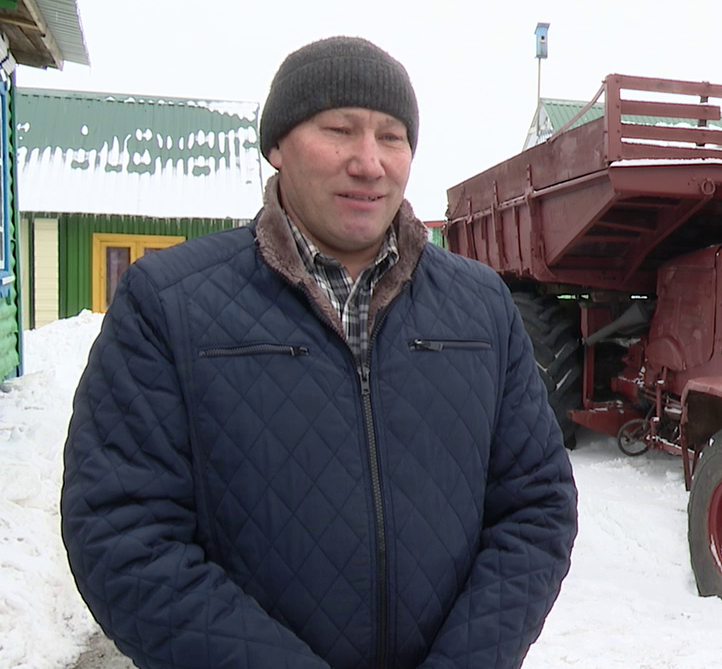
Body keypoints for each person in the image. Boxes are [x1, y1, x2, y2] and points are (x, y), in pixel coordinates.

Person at [61, 36, 578, 669]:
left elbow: (536, 506)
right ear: (277, 145)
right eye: (340, 129)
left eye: (392, 136)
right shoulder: (170, 304)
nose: (369, 162)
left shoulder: (482, 309)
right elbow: (122, 531)